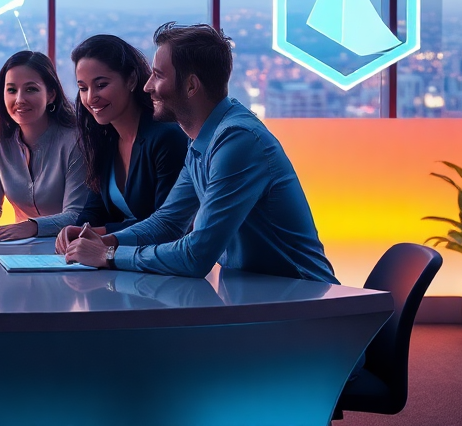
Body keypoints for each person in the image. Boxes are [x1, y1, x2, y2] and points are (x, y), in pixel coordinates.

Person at [61, 23, 337, 284]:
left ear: (191, 86)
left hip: (302, 301)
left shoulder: (238, 140)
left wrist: (107, 256)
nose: (147, 87)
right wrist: (108, 242)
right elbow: (168, 222)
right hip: (259, 300)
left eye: (158, 76)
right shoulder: (203, 140)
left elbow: (197, 255)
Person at [41, 35, 188, 238]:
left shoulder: (166, 138)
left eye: (101, 85)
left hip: (162, 265)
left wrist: (100, 235)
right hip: (120, 263)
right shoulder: (105, 139)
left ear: (131, 80)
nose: (90, 97)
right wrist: (74, 231)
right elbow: (95, 210)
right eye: (83, 88)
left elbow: (167, 224)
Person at [0, 51, 88, 242]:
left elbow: (76, 215)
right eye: (11, 90)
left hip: (72, 248)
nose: (20, 99)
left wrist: (31, 227)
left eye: (31, 89)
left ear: (51, 95)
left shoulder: (75, 140)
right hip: (20, 249)